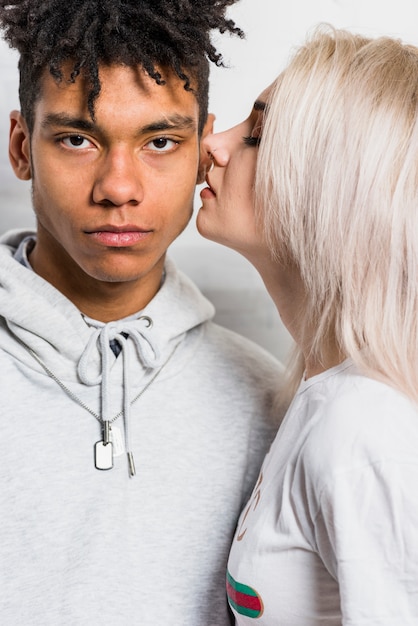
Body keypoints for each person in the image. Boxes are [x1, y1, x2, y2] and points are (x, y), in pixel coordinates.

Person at [0, 1, 284, 624]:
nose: (119, 187)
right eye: (78, 139)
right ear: (22, 147)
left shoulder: (271, 403)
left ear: (202, 150)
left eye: (160, 141)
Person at [198, 25, 418, 625]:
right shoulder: (326, 403)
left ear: (333, 186)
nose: (212, 143)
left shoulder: (362, 432)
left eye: (258, 134)